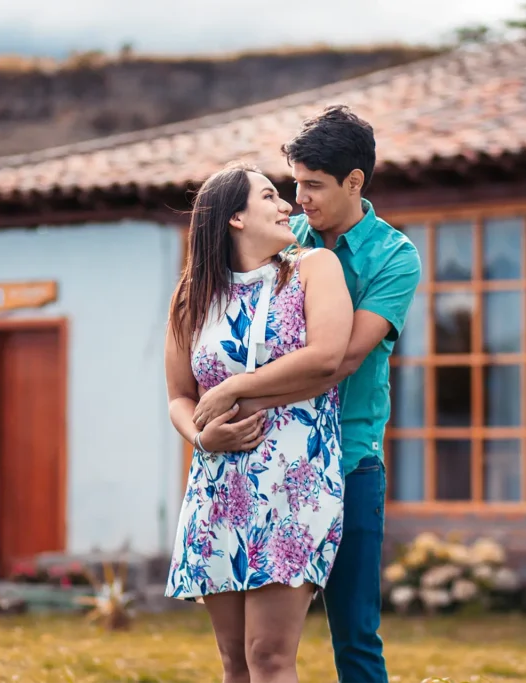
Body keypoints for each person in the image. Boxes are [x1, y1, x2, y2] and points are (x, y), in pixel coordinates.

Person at [225, 105, 422, 682]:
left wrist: (242, 399)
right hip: (276, 456)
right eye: (295, 183)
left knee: (355, 632)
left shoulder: (395, 258)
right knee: (256, 644)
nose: (298, 198)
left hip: (351, 460)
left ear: (354, 182)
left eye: (313, 185)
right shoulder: (285, 242)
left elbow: (342, 358)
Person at [163, 160, 354, 683]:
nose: (287, 205)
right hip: (217, 486)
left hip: (295, 480)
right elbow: (180, 397)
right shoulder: (193, 297)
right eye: (269, 196)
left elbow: (326, 356)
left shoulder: (314, 268)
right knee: (235, 663)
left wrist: (233, 387)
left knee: (268, 656)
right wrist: (202, 436)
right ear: (235, 218)